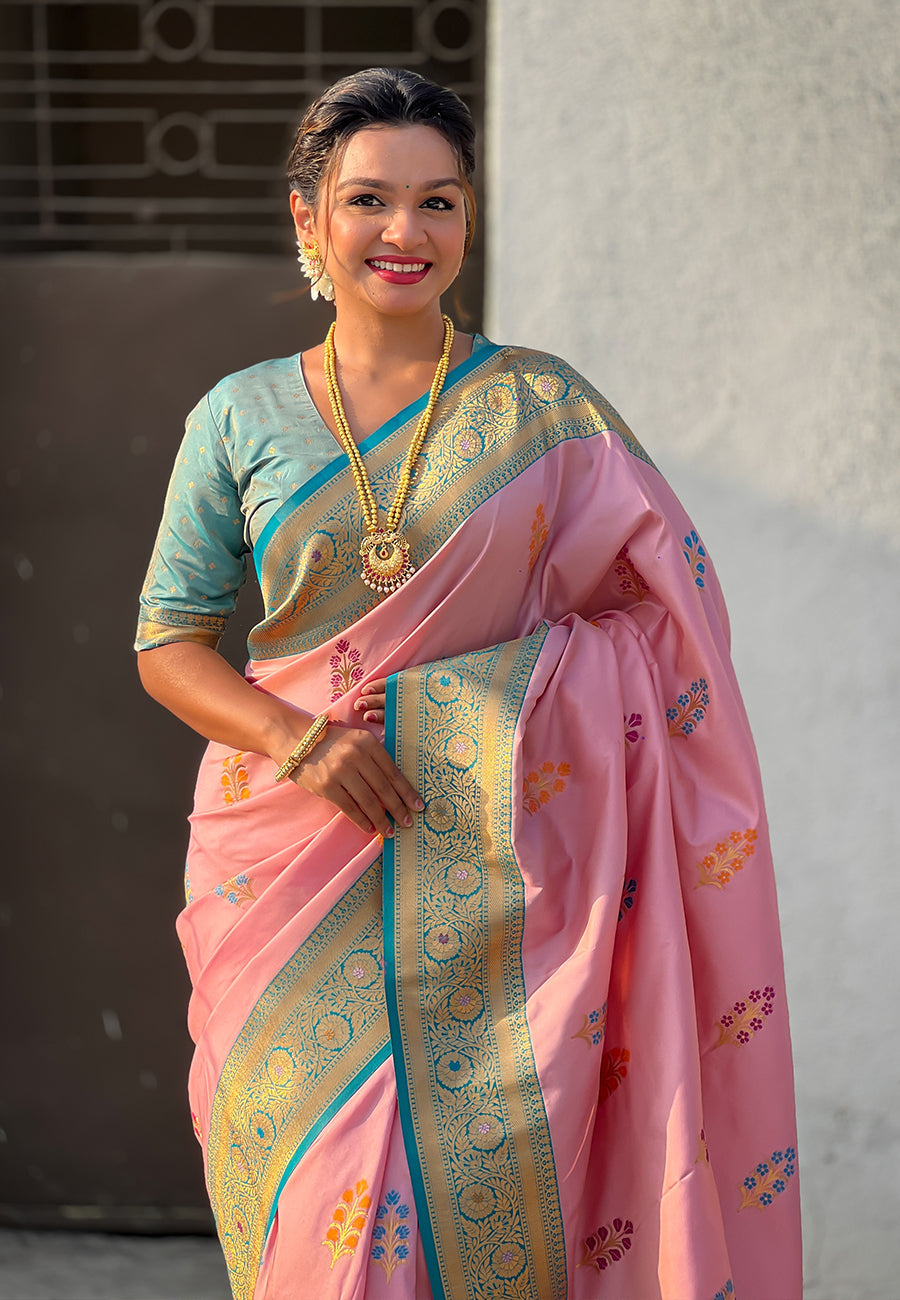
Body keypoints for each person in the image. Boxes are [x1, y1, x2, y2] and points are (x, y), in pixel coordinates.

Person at [136, 67, 801, 1300]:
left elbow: (669, 625)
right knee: (303, 1213)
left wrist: (503, 703)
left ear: (469, 219)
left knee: (491, 1229)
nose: (406, 233)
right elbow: (167, 642)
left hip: (504, 874)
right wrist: (302, 742)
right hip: (285, 874)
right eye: (370, 200)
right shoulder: (240, 416)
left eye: (439, 202)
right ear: (307, 219)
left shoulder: (546, 410)